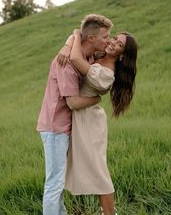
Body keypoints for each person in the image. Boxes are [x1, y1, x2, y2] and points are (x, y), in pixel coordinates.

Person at [36, 14, 113, 215]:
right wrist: (97, 99)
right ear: (91, 39)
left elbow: (78, 32)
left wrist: (70, 41)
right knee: (54, 182)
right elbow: (73, 102)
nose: (108, 40)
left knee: (59, 181)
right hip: (55, 129)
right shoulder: (66, 63)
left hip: (69, 127)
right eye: (105, 37)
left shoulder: (86, 56)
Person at [58, 29, 137, 215]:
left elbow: (76, 59)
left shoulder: (107, 74)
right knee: (92, 170)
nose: (112, 43)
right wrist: (68, 42)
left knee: (99, 172)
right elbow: (77, 41)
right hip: (82, 117)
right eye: (115, 38)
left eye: (119, 45)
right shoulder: (99, 56)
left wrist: (76, 36)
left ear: (122, 55)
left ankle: (109, 213)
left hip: (90, 123)